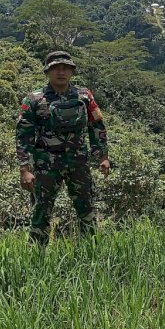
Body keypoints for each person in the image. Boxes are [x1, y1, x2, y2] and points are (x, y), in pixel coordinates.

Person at [16, 50, 110, 245]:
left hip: (78, 163)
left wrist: (102, 156)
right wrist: (25, 169)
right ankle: (35, 257)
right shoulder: (34, 100)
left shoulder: (84, 96)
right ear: (47, 72)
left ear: (72, 72)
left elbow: (96, 126)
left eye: (65, 68)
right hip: (46, 165)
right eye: (55, 68)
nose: (61, 72)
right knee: (41, 211)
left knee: (87, 209)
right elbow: (23, 136)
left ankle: (91, 253)